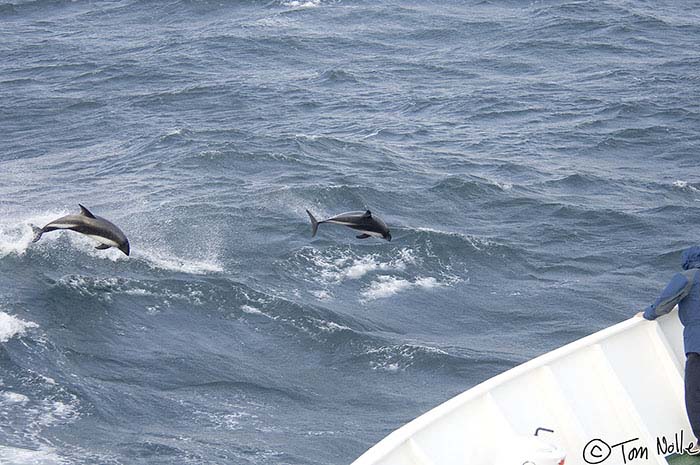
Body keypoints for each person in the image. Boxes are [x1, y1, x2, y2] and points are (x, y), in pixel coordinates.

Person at [637, 246, 700, 454]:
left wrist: (647, 314)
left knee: (695, 394)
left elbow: (664, 303)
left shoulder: (688, 277)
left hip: (697, 345)